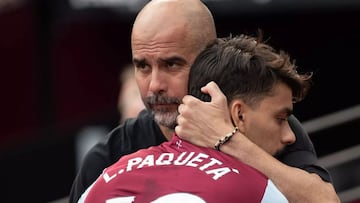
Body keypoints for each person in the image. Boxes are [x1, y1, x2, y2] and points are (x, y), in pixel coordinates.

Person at [69, 0, 339, 202]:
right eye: (142, 67)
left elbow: (323, 199)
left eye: (172, 64)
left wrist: (229, 140)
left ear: (209, 58)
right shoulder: (108, 155)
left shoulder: (263, 125)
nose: (155, 85)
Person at [78, 33, 303, 203]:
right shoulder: (255, 189)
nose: (290, 136)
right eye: (280, 119)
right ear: (239, 114)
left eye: (171, 64)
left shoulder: (103, 179)